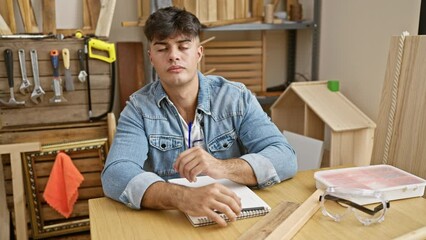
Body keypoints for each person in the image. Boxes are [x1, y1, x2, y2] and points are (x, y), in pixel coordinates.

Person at [101, 6, 297, 227]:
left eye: (183, 46)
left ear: (199, 53)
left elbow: (285, 157)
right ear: (151, 58)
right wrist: (182, 197)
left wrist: (222, 167)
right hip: (170, 222)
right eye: (162, 48)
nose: (173, 55)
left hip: (234, 215)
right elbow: (115, 175)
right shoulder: (138, 108)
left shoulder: (236, 97)